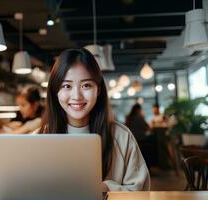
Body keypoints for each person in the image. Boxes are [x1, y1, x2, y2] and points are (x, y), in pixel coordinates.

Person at [37, 49, 150, 191]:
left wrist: (105, 188)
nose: (76, 96)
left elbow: (141, 192)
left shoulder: (121, 136)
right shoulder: (39, 138)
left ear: (99, 89)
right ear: (55, 91)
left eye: (86, 85)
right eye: (67, 86)